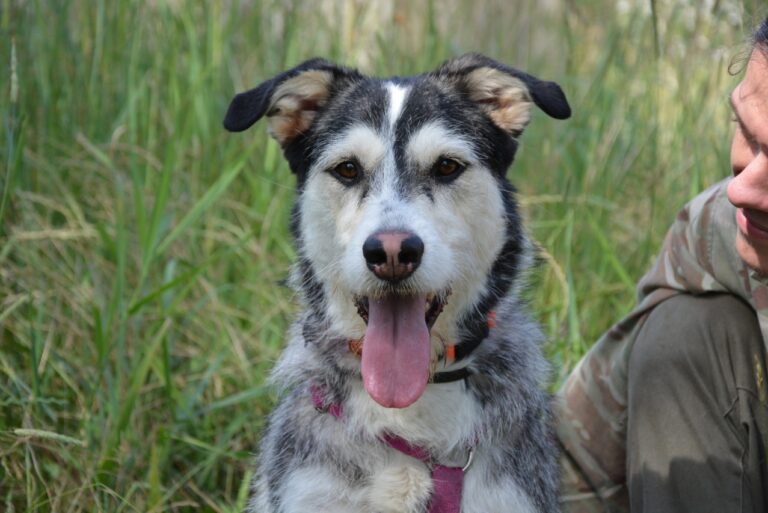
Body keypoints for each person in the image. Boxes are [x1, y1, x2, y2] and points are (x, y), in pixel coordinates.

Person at [556, 16, 768, 513]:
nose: (742, 189)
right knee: (684, 334)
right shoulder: (723, 223)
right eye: (748, 134)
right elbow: (578, 451)